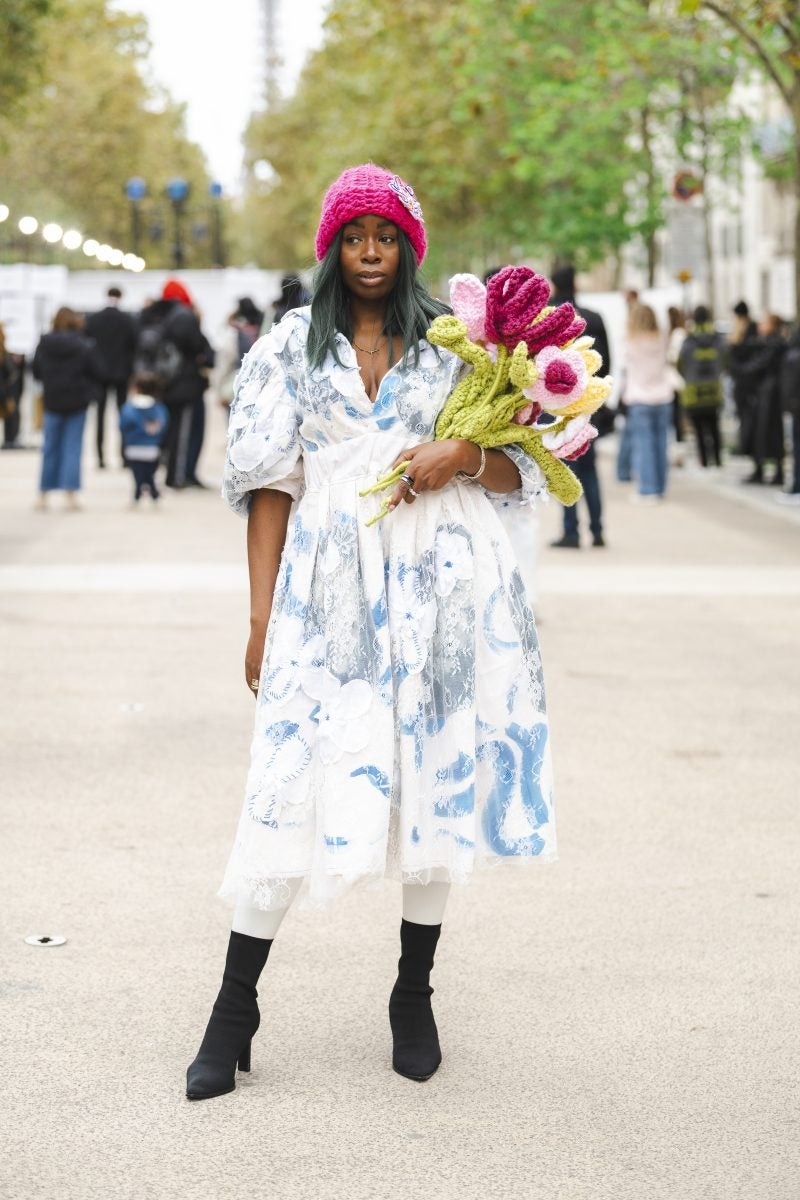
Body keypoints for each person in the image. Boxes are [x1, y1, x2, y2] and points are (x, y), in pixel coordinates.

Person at [186, 164, 556, 1101]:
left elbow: (525, 475)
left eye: (385, 237)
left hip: (441, 594)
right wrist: (261, 617)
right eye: (354, 238)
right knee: (288, 777)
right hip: (326, 595)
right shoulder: (285, 353)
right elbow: (270, 490)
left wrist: (465, 452)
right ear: (330, 249)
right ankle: (234, 1011)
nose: (370, 254)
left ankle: (413, 994)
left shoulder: (457, 352)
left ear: (409, 247)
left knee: (431, 771)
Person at [549, 264, 611, 548]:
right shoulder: (594, 318)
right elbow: (607, 362)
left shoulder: (547, 316)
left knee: (566, 468)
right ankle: (597, 530)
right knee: (589, 468)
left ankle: (570, 531)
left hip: (557, 402)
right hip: (588, 401)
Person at [135, 279, 213, 489]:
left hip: (161, 382)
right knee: (184, 432)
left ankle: (153, 473)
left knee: (165, 429)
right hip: (185, 383)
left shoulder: (153, 314)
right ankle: (178, 476)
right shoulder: (183, 316)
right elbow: (199, 346)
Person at [32, 307, 102, 510]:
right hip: (77, 400)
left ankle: (43, 494)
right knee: (72, 447)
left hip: (52, 399)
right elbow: (96, 370)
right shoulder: (84, 345)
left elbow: (36, 370)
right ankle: (70, 493)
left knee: (50, 447)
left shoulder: (45, 343)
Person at [622, 304, 672, 501]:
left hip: (640, 397)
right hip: (663, 395)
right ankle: (659, 486)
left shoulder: (630, 341)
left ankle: (647, 489)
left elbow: (625, 367)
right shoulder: (663, 338)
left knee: (644, 445)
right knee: (661, 444)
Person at [85, 286, 138, 468]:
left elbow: (88, 344)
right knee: (122, 414)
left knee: (99, 415)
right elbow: (134, 345)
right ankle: (123, 456)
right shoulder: (127, 319)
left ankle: (100, 457)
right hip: (121, 373)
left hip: (99, 374)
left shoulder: (94, 319)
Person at [739, 313, 786, 486]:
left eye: (764, 322)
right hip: (763, 392)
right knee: (760, 432)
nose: (760, 325)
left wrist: (743, 370)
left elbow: (761, 364)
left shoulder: (775, 344)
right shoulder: (762, 342)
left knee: (770, 432)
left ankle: (774, 471)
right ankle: (761, 469)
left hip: (770, 394)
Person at [678, 306, 724, 468]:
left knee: (699, 429)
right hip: (713, 390)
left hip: (694, 392)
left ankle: (704, 461)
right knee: (714, 427)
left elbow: (680, 363)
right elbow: (725, 359)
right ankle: (717, 460)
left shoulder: (688, 340)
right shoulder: (717, 338)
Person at [119, 372, 169, 505]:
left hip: (133, 447)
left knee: (138, 473)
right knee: (150, 472)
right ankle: (152, 491)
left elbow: (123, 424)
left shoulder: (129, 407)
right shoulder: (158, 407)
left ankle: (139, 492)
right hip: (152, 447)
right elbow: (163, 424)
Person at [214, 298, 264, 412]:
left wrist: (219, 390)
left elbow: (225, 361)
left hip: (235, 386)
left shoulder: (233, 331)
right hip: (259, 387)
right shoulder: (263, 329)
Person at [727, 300, 759, 455]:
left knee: (745, 415)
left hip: (743, 380)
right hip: (742, 379)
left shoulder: (745, 331)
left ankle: (746, 445)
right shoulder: (746, 329)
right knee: (743, 414)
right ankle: (745, 444)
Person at [666, 307, 687, 450]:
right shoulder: (675, 333)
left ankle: (680, 441)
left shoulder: (678, 333)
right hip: (671, 379)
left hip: (675, 379)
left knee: (676, 412)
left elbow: (674, 356)